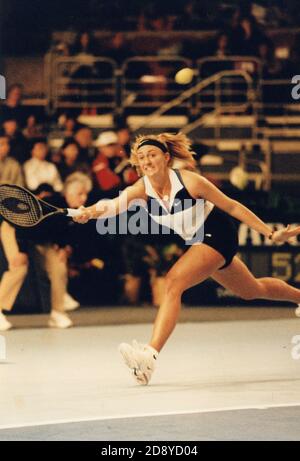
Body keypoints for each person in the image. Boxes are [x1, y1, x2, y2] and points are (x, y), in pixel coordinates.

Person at [72, 132, 300, 385]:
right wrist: (88, 212)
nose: (146, 160)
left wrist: (270, 233)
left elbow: (232, 206)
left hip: (217, 233)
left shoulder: (190, 182)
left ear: (166, 157)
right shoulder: (140, 190)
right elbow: (112, 206)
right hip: (198, 240)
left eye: (152, 155)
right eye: (142, 157)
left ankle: (150, 356)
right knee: (251, 289)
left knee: (172, 283)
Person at [0, 173, 93, 331]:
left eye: (86, 194)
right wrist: (21, 251)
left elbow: (64, 232)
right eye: (80, 194)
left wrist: (64, 247)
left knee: (59, 266)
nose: (84, 198)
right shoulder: (51, 203)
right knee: (19, 267)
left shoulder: (75, 211)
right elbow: (24, 224)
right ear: (68, 193)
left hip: (42, 240)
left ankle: (58, 313)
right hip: (16, 230)